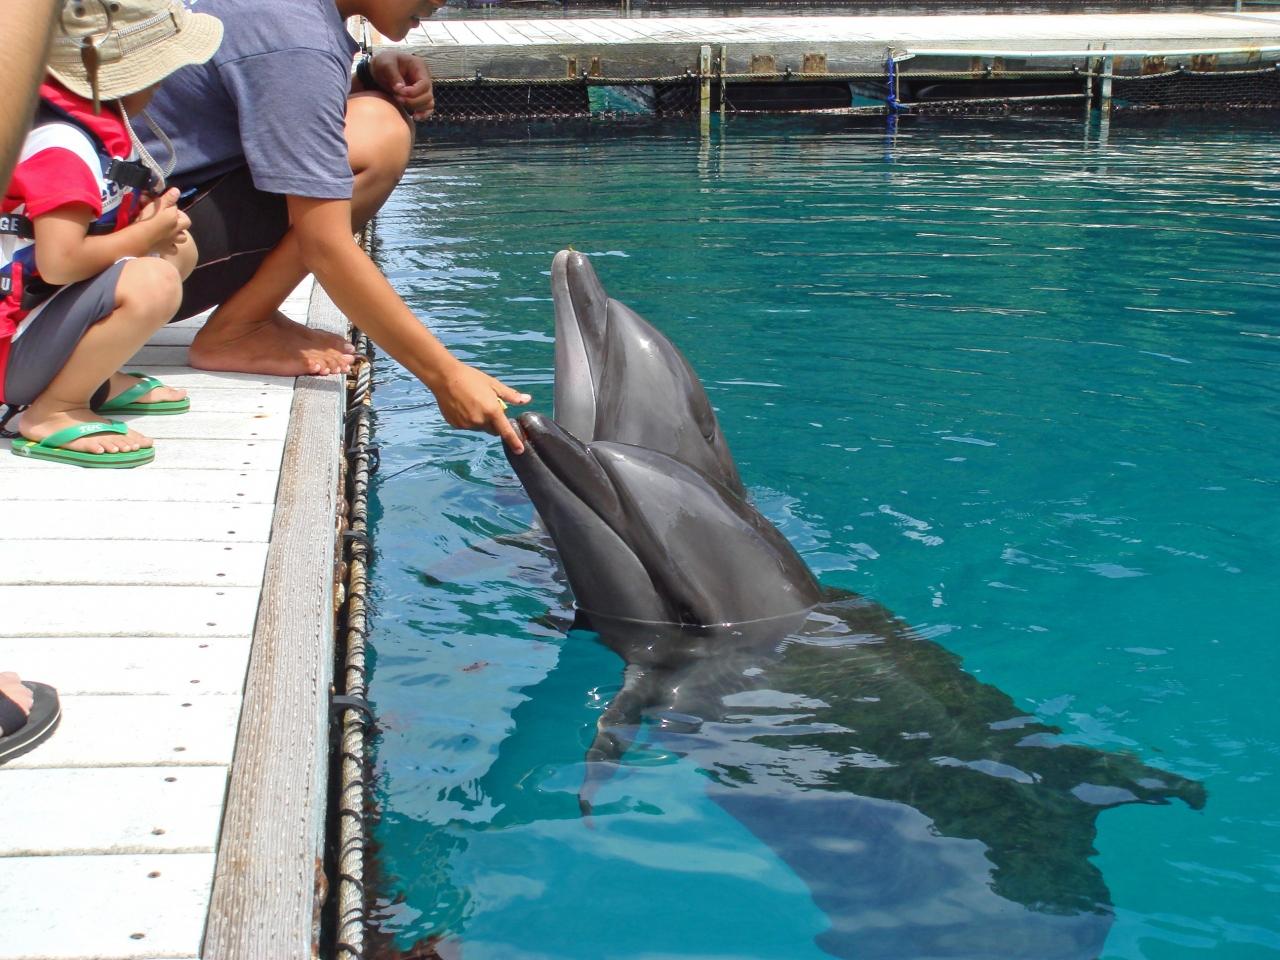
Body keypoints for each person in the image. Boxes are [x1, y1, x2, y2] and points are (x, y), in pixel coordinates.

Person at [141, 0, 532, 453]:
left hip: (103, 246)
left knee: (374, 109)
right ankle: (239, 329)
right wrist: (444, 375)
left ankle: (252, 317)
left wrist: (366, 78)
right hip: (126, 274)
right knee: (380, 130)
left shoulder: (287, 15)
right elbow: (324, 243)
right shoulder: (296, 38)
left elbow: (275, 109)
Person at [1, 0, 223, 468]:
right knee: (153, 279)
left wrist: (148, 228)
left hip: (34, 322)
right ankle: (54, 409)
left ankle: (93, 375)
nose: (162, 85)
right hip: (9, 353)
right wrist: (142, 240)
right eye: (158, 73)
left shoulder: (97, 134)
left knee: (177, 252)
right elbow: (60, 262)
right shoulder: (61, 146)